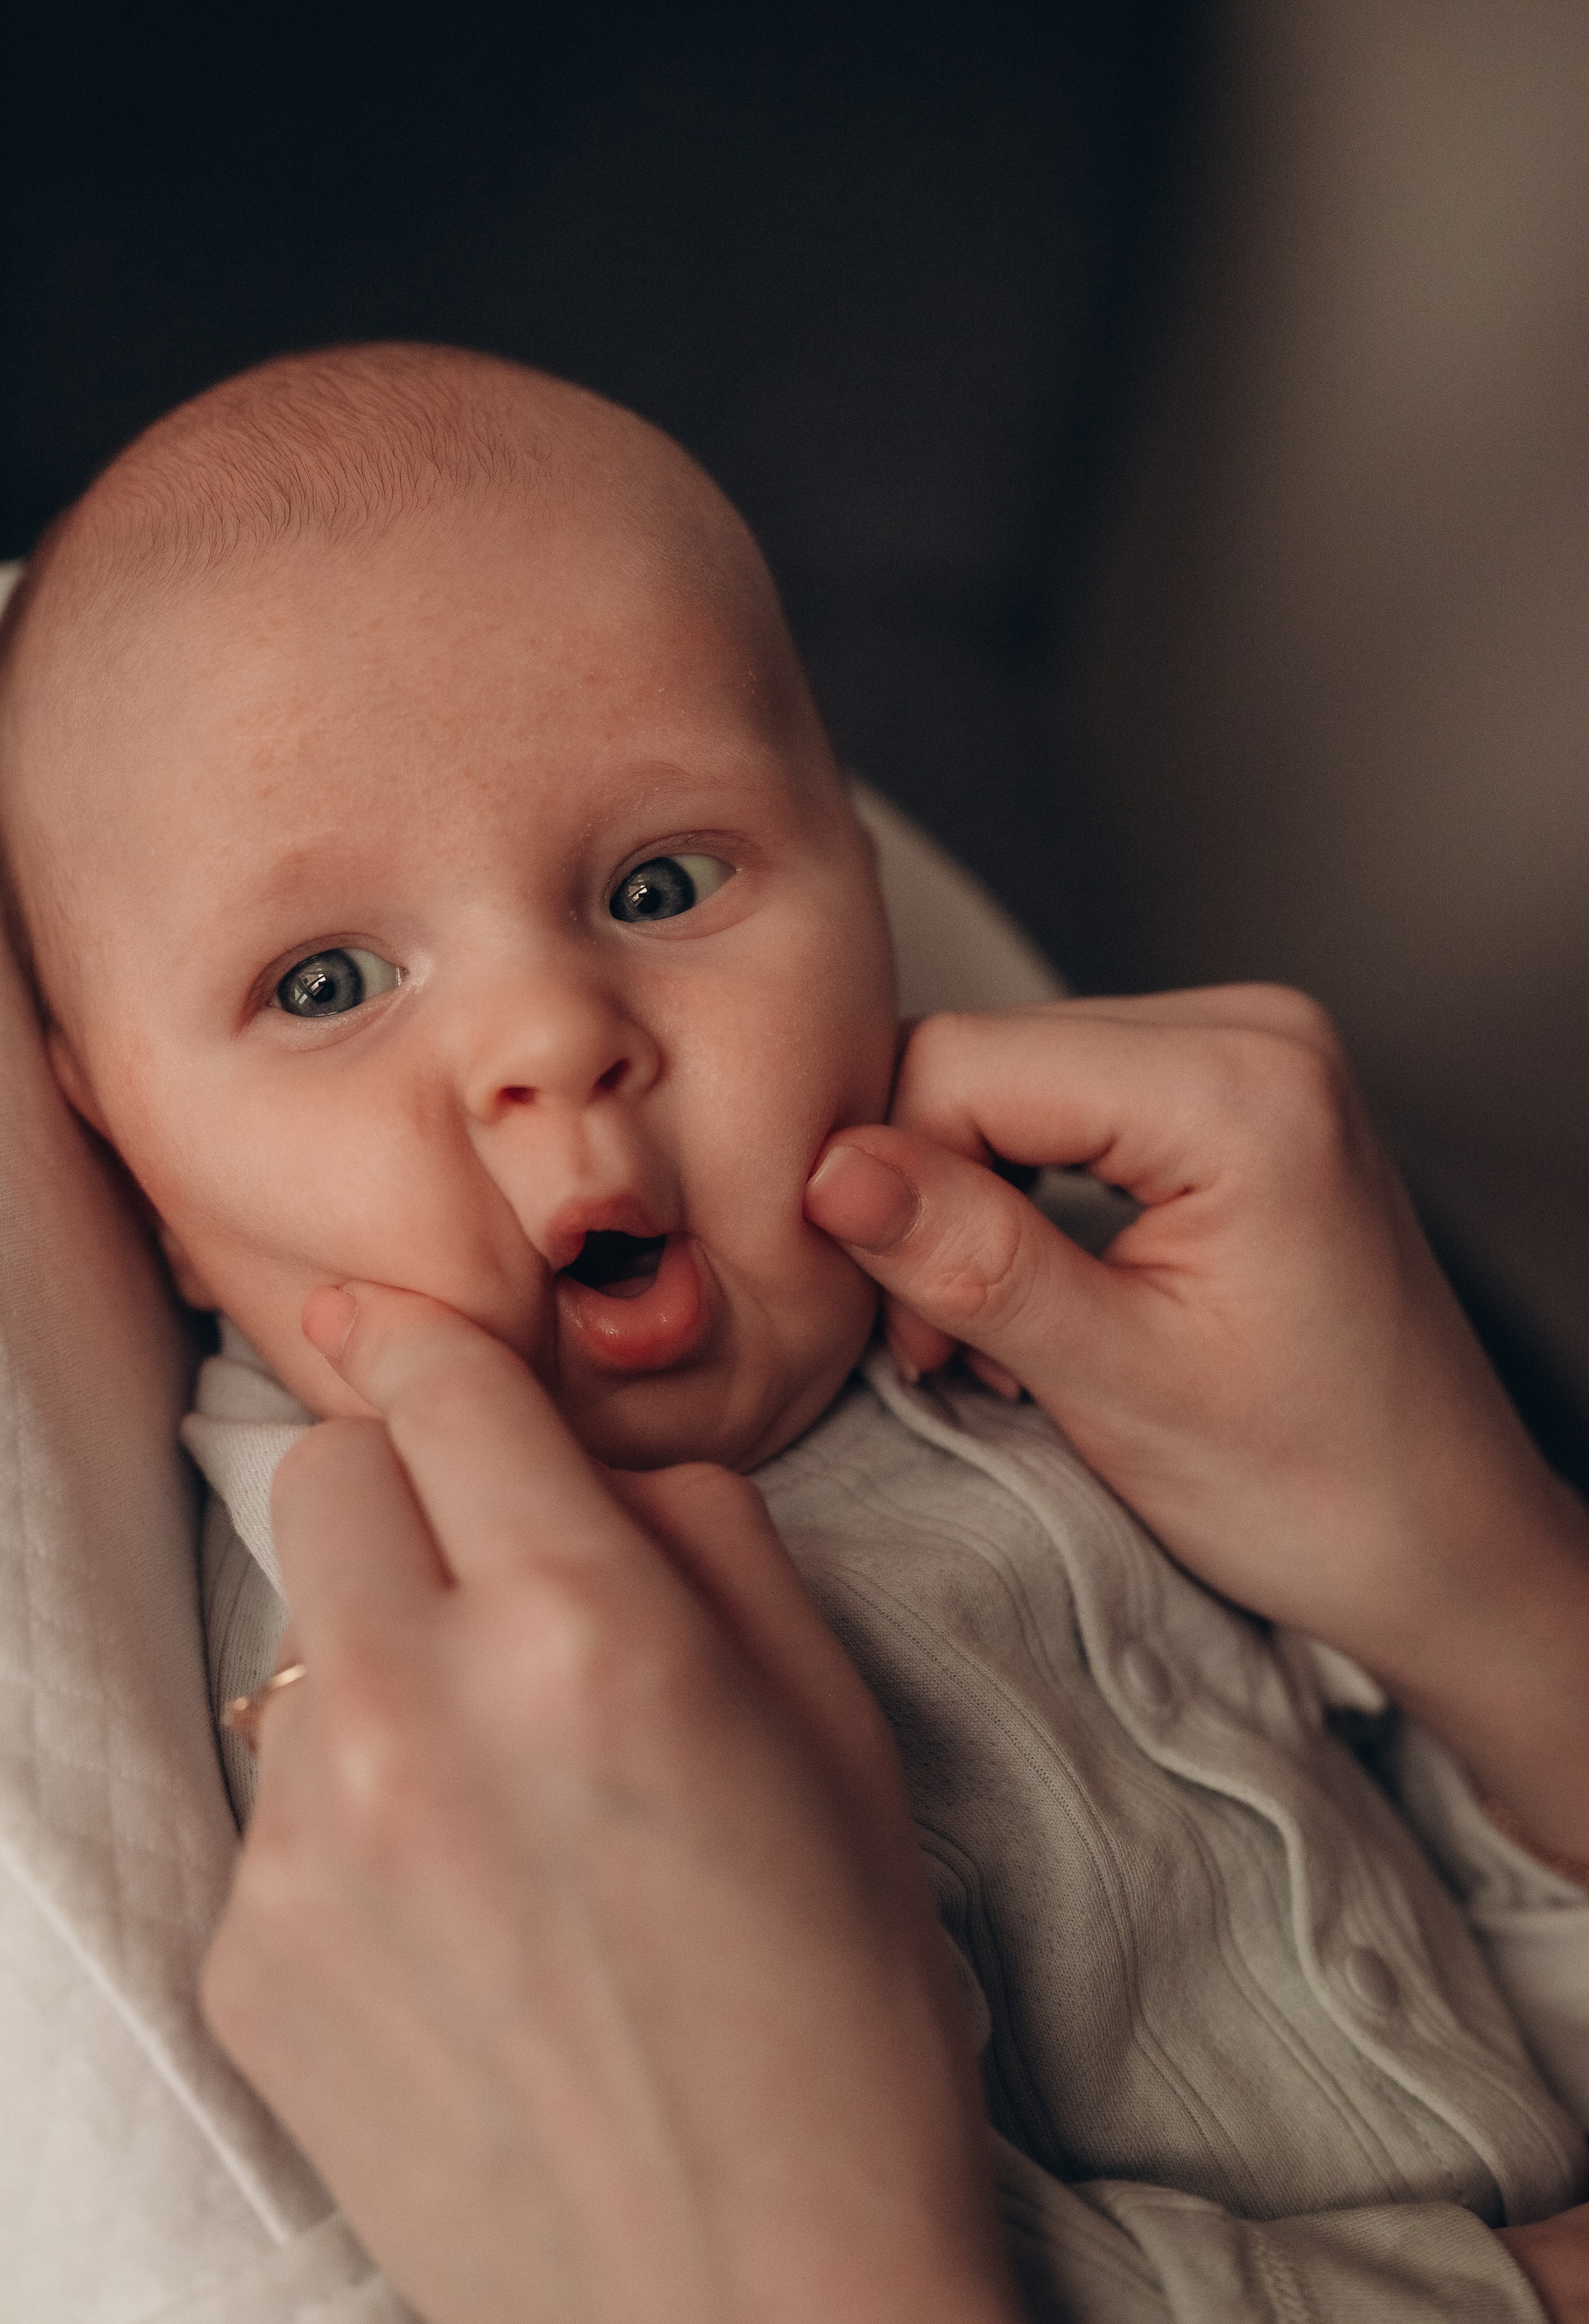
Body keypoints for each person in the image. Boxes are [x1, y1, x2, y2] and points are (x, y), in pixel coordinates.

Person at [2, 342, 1588, 2322]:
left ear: (870, 904)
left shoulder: (1104, 1346)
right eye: (327, 979)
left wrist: (1500, 1594)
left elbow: (1438, 1864)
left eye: (661, 880)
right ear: (134, 1167)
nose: (549, 1034)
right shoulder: (411, 1668)